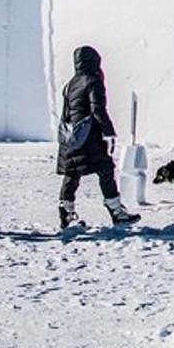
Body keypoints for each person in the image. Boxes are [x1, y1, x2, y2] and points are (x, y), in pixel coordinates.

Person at [56, 45, 140, 228]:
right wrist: (108, 132)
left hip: (71, 137)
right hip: (89, 138)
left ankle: (67, 212)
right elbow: (98, 110)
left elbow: (66, 114)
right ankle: (116, 211)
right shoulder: (93, 81)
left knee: (72, 173)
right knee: (105, 169)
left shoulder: (70, 84)